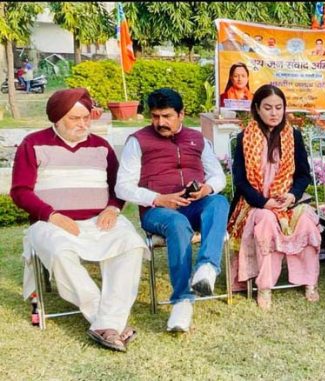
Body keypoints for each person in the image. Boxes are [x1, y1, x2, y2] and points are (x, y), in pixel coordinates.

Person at [11, 88, 148, 352]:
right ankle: (109, 324)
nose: (83, 124)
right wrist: (52, 215)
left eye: (86, 117)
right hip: (52, 222)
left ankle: (107, 324)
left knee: (131, 244)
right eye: (75, 119)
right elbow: (20, 192)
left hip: (100, 219)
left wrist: (112, 208)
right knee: (61, 253)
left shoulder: (101, 146)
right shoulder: (33, 144)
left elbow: (118, 186)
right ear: (57, 118)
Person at [115, 88, 230, 332]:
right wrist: (158, 198)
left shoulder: (198, 139)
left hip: (193, 204)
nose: (160, 122)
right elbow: (122, 187)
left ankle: (207, 268)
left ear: (181, 114)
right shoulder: (138, 141)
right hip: (158, 212)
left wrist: (206, 188)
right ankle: (182, 301)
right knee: (177, 224)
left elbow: (218, 176)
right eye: (155, 116)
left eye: (167, 116)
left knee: (218, 202)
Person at [227, 84, 322, 311]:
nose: (274, 113)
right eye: (268, 108)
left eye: (278, 108)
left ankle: (310, 281)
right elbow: (240, 181)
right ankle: (265, 286)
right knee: (267, 222)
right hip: (254, 203)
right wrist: (263, 202)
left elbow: (303, 175)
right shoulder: (244, 138)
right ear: (257, 109)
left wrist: (292, 195)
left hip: (287, 201)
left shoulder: (293, 136)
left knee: (307, 221)